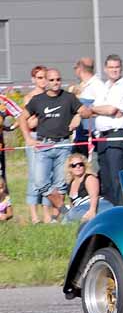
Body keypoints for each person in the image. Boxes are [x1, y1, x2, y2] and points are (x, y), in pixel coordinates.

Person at [18, 68, 88, 219]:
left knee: (61, 184)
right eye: (52, 80)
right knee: (40, 182)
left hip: (63, 145)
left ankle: (56, 219)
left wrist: (78, 116)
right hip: (43, 145)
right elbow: (22, 118)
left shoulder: (69, 97)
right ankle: (64, 209)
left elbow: (86, 111)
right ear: (46, 82)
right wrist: (28, 138)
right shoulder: (37, 100)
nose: (55, 83)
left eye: (58, 79)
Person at [91, 54, 123, 205]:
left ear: (121, 68)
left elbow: (111, 110)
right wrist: (98, 109)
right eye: (111, 67)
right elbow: (101, 108)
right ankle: (109, 209)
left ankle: (122, 208)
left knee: (117, 177)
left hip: (116, 135)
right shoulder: (104, 87)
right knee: (105, 177)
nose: (114, 70)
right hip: (102, 137)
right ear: (105, 69)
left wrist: (94, 109)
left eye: (117, 67)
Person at [22, 65, 51, 223]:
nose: (43, 81)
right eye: (40, 77)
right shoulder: (30, 98)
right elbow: (30, 123)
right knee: (35, 176)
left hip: (49, 137)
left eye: (45, 77)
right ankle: (34, 215)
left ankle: (47, 213)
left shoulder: (52, 96)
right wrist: (46, 116)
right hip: (34, 137)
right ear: (34, 79)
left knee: (48, 176)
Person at [62, 153, 114, 223]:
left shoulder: (89, 178)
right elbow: (73, 204)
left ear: (85, 165)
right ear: (70, 168)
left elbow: (94, 197)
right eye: (74, 165)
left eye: (81, 164)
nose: (78, 167)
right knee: (71, 213)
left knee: (71, 214)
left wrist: (92, 211)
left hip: (98, 205)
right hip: (80, 208)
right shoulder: (70, 183)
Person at [71, 57, 106, 158]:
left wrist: (81, 114)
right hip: (80, 136)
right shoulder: (81, 87)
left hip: (92, 137)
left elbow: (100, 109)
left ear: (80, 68)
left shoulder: (98, 86)